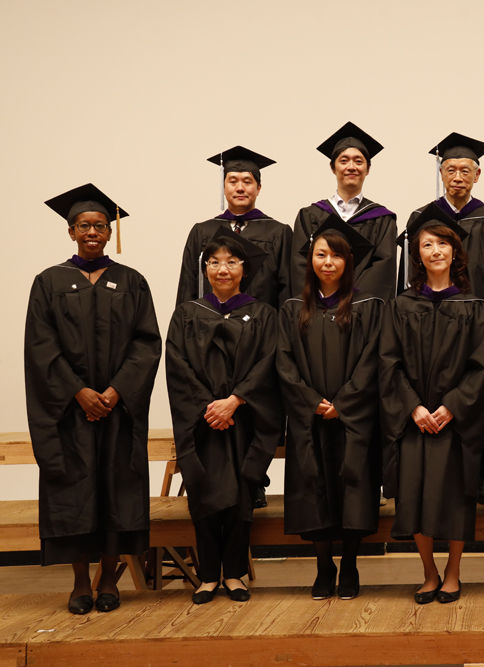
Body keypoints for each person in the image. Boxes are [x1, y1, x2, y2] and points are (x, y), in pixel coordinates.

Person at [27, 184, 161, 614]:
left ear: (110, 232)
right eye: (84, 225)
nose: (92, 232)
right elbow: (41, 347)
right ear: (70, 231)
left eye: (100, 226)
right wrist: (79, 391)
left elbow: (146, 344)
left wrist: (115, 390)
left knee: (116, 489)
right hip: (71, 414)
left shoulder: (132, 281)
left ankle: (109, 577)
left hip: (117, 410)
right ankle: (80, 580)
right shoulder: (48, 282)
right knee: (76, 492)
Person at [380, 207, 484, 604]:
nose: (436, 250)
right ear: (418, 254)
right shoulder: (401, 305)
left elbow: (481, 366)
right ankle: (428, 572)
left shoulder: (473, 306)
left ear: (455, 252)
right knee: (414, 497)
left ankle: (454, 572)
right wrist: (413, 408)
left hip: (454, 423)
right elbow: (388, 362)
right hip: (415, 422)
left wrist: (451, 407)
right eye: (427, 244)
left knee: (457, 498)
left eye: (443, 243)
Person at [166, 229, 282, 605]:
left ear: (243, 269)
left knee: (240, 497)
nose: (223, 269)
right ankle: (207, 576)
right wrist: (208, 406)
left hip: (243, 420)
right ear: (205, 269)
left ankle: (233, 574)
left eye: (231, 262)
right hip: (202, 424)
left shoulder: (263, 314)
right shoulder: (187, 314)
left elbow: (269, 364)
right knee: (202, 497)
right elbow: (177, 366)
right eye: (214, 262)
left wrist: (235, 400)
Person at [401, 132, 484, 506]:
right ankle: (435, 474)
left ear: (477, 175)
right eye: (450, 169)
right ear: (441, 172)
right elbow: (411, 278)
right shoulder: (422, 218)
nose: (457, 176)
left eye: (465, 170)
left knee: (482, 401)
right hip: (430, 330)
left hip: (479, 331)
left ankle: (482, 476)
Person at [278, 217, 383, 600]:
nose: (328, 262)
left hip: (351, 420)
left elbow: (373, 361)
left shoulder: (369, 308)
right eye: (321, 254)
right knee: (314, 489)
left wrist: (345, 403)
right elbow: (284, 363)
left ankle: (351, 565)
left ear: (348, 261)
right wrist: (311, 402)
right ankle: (324, 566)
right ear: (310, 260)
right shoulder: (292, 309)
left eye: (336, 255)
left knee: (352, 488)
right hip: (311, 420)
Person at [291, 122, 397, 301]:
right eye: (344, 160)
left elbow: (382, 268)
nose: (351, 167)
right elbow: (300, 264)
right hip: (318, 310)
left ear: (367, 169)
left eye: (358, 161)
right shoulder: (309, 216)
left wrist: (352, 302)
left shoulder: (382, 219)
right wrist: (323, 301)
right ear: (333, 168)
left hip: (361, 312)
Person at [176, 146, 293, 309]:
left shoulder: (278, 233)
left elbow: (287, 292)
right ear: (223, 187)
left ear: (258, 188)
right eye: (232, 181)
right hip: (209, 329)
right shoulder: (202, 232)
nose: (240, 188)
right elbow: (187, 288)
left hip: (262, 329)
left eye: (247, 181)